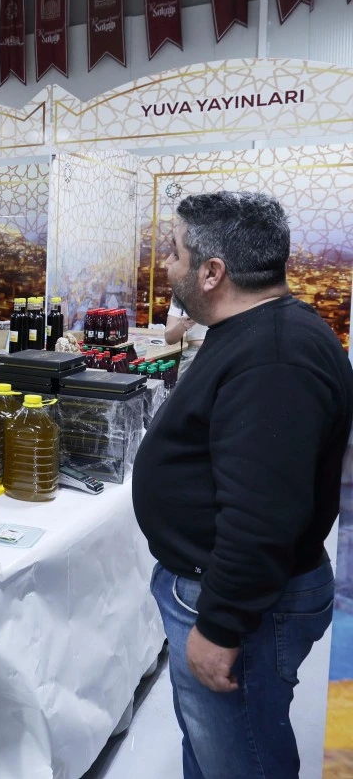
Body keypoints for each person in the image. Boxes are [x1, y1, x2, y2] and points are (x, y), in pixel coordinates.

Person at [133, 192, 352, 779]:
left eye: (174, 255)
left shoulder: (275, 358)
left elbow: (262, 514)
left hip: (240, 602)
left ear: (212, 272)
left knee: (243, 757)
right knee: (213, 746)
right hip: (227, 591)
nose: (168, 268)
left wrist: (221, 623)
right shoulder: (255, 329)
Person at [164, 297, 206, 372]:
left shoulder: (228, 288)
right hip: (193, 355)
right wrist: (182, 324)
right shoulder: (181, 292)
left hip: (223, 352)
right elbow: (169, 339)